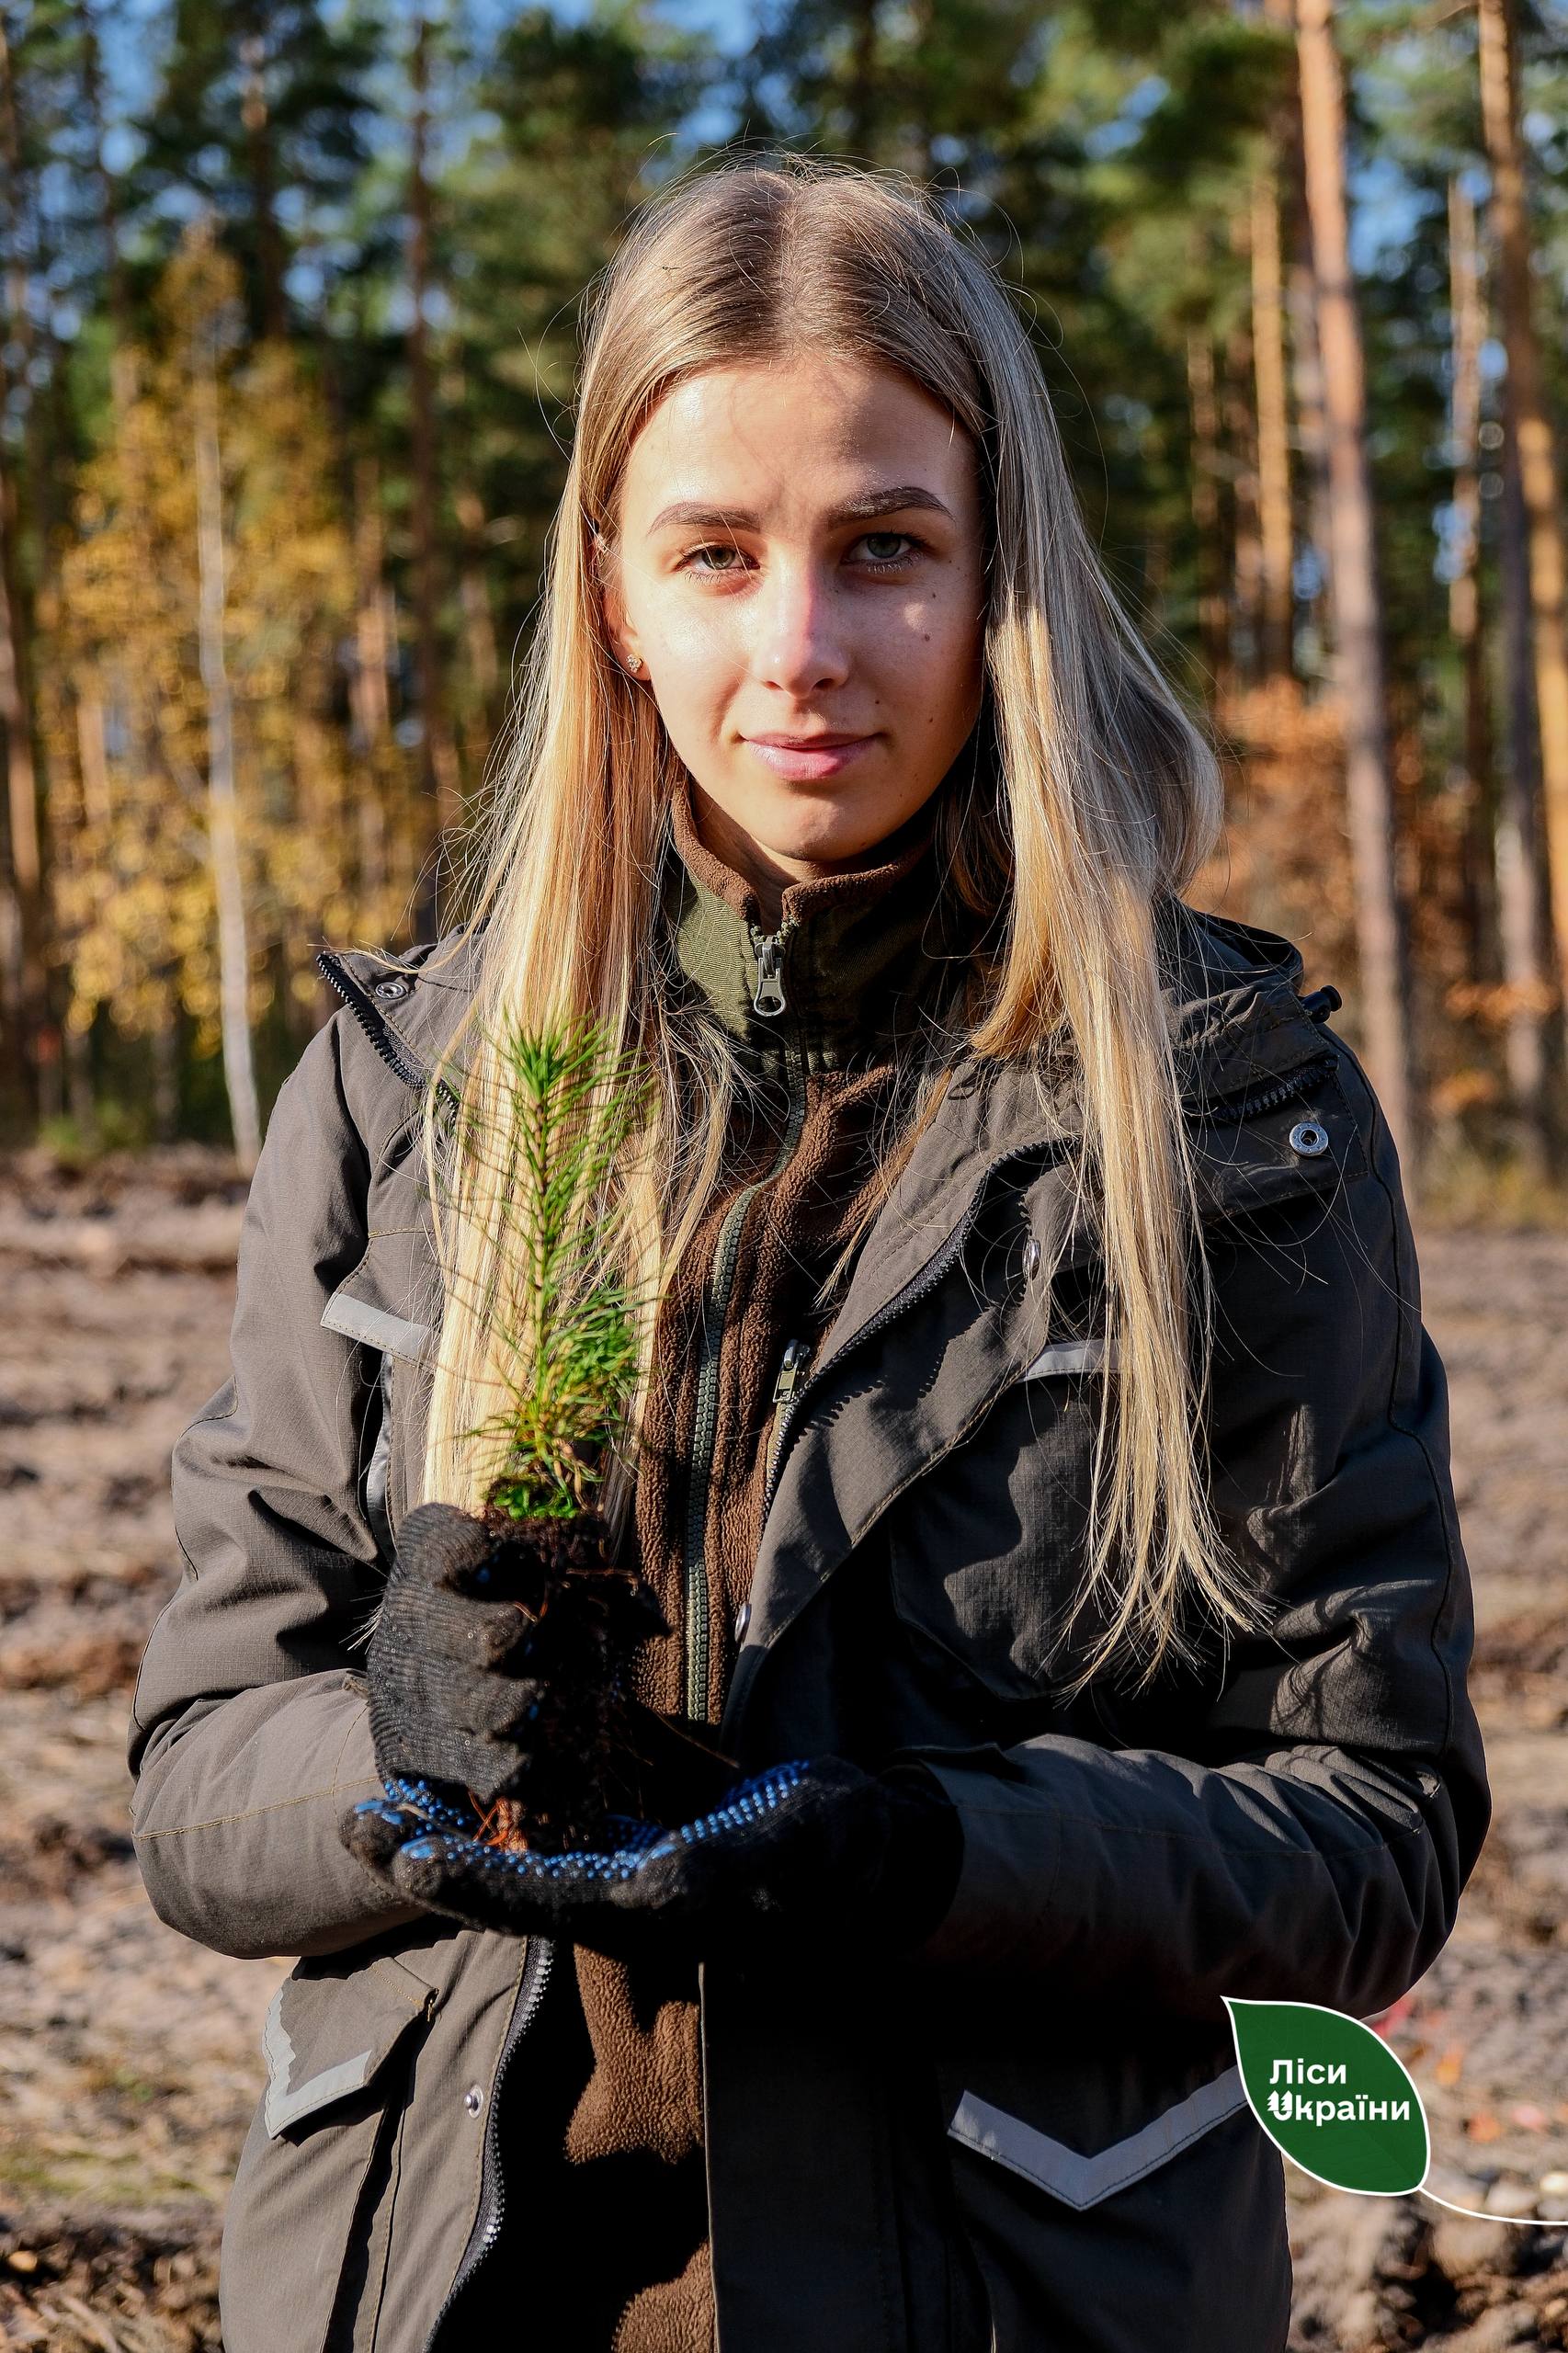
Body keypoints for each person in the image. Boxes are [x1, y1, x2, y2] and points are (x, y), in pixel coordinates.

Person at [128, 153, 1491, 2353]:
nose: (799, 650)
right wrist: (385, 1744)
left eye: (884, 547)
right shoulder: (412, 1091)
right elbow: (198, 1779)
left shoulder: (1226, 1115)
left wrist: (923, 1852)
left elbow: (1368, 1824)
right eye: (716, 553)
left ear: (996, 568)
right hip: (467, 2299)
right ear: (611, 590)